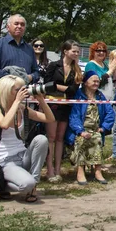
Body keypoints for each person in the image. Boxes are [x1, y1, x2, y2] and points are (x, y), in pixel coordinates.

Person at [0, 75, 54, 202]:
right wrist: (17, 101)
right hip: (6, 161)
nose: (23, 92)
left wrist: (41, 100)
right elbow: (4, 124)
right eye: (18, 90)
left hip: (23, 155)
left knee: (41, 139)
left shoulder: (21, 108)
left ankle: (34, 183)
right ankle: (3, 186)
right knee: (26, 184)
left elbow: (49, 119)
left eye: (23, 89)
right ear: (6, 91)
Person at [65, 71, 115, 184]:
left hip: (96, 130)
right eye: (94, 81)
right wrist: (80, 131)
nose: (96, 83)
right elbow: (74, 116)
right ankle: (80, 171)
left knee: (97, 137)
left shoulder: (100, 96)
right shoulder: (79, 95)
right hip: (80, 130)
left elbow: (110, 113)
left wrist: (104, 127)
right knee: (82, 139)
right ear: (86, 82)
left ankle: (98, 171)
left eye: (98, 81)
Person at [43, 40, 82, 182]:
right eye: (74, 51)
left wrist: (58, 86)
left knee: (60, 137)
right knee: (51, 137)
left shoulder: (77, 69)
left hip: (66, 105)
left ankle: (58, 169)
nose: (76, 54)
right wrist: (63, 88)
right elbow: (47, 85)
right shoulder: (54, 65)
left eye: (77, 52)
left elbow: (73, 90)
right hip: (52, 104)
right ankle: (49, 169)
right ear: (65, 51)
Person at [0, 14, 40, 87]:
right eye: (16, 24)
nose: (19, 26)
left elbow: (36, 72)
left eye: (22, 25)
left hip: (25, 92)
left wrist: (30, 77)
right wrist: (13, 78)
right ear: (8, 27)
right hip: (4, 92)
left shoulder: (29, 48)